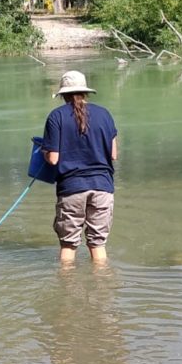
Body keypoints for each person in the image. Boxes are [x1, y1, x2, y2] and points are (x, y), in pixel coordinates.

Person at [41, 70, 119, 266]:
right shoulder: (104, 114)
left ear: (63, 94)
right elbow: (113, 154)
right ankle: (102, 289)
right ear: (85, 92)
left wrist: (42, 151)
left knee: (68, 246)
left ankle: (67, 292)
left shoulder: (56, 117)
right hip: (103, 187)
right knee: (98, 244)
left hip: (72, 188)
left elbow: (53, 159)